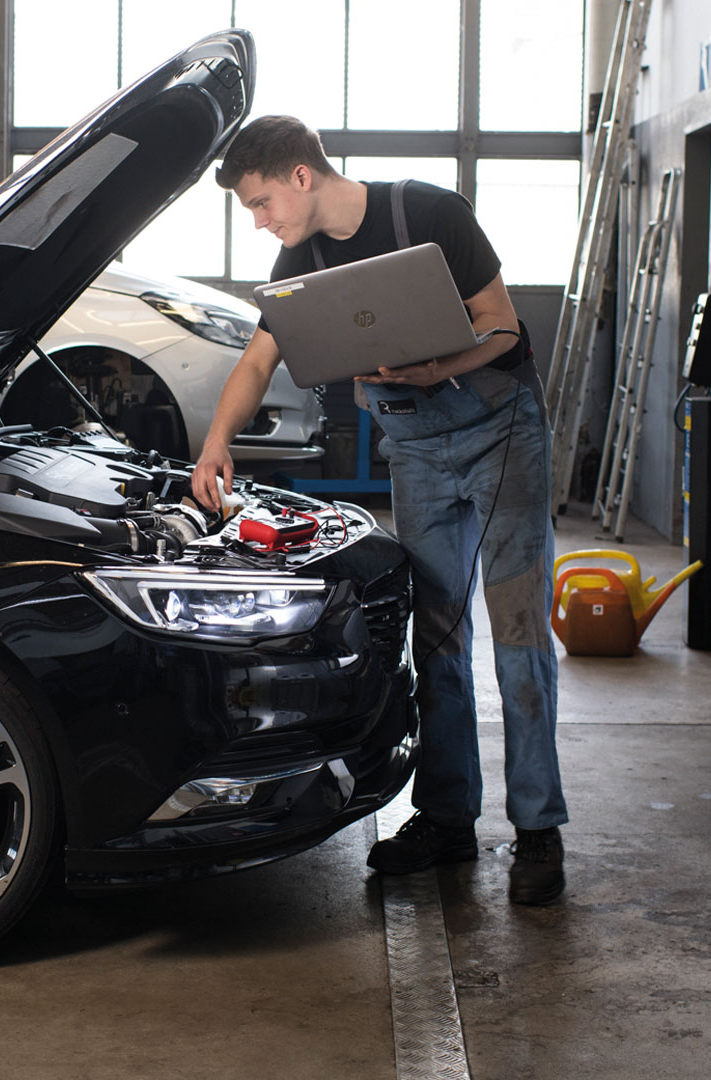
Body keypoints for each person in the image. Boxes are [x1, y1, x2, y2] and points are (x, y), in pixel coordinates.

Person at [192, 116, 567, 905]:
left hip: (501, 431)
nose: (260, 221)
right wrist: (216, 442)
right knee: (435, 635)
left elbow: (503, 328)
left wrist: (438, 363)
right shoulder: (301, 261)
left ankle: (537, 830)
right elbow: (259, 358)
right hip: (419, 449)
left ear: (301, 175)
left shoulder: (430, 214)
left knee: (520, 632)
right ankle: (447, 818)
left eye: (261, 203)